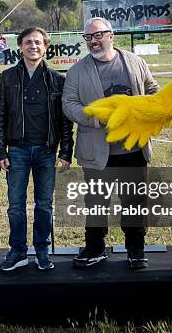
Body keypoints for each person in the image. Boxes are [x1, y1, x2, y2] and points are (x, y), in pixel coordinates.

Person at [62, 17, 159, 270]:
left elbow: (153, 90)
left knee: (134, 202)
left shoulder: (135, 62)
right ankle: (95, 248)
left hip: (133, 149)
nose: (93, 42)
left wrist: (145, 112)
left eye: (97, 36)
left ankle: (136, 250)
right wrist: (97, 119)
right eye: (88, 38)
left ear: (111, 35)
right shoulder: (77, 71)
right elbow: (69, 105)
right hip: (97, 152)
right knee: (95, 204)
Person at [0, 27, 74, 272]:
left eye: (38, 42)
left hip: (46, 152)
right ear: (20, 46)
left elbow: (65, 121)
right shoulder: (7, 78)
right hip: (17, 151)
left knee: (44, 204)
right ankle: (18, 250)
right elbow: (0, 117)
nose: (33, 46)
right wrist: (0, 152)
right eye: (28, 42)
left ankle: (41, 249)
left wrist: (65, 152)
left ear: (45, 47)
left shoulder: (58, 80)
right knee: (16, 204)